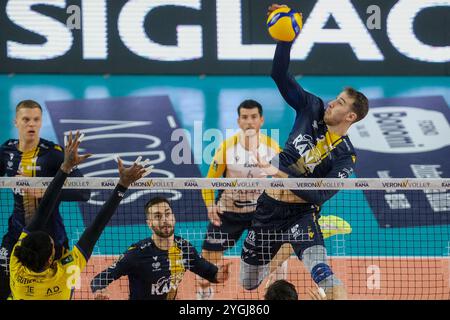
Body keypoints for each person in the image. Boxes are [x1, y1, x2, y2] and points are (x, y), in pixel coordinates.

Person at [239, 4, 369, 300]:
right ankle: (284, 248)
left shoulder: (345, 157)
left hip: (302, 217)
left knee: (325, 277)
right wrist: (285, 40)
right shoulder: (311, 107)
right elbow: (278, 74)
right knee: (248, 283)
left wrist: (279, 174)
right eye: (334, 99)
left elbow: (321, 195)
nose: (331, 104)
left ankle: (308, 237)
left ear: (350, 117)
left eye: (339, 103)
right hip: (268, 210)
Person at [8, 131, 153, 300]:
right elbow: (46, 213)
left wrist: (122, 186)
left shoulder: (17, 266)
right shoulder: (26, 264)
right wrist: (66, 168)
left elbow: (93, 230)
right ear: (50, 261)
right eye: (53, 245)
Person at [197, 99, 291, 300]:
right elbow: (208, 181)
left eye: (254, 117)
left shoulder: (272, 148)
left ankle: (276, 295)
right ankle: (204, 293)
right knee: (208, 261)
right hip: (229, 212)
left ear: (261, 120)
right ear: (239, 121)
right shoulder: (226, 147)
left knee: (279, 256)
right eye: (245, 117)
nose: (249, 122)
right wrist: (210, 205)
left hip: (262, 213)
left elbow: (283, 180)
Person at [0, 100, 91, 299]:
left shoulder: (54, 154)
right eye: (26, 119)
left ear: (41, 122)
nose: (31, 124)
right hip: (17, 236)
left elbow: (85, 192)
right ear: (16, 122)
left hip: (52, 240)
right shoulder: (6, 152)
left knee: (62, 292)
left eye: (36, 119)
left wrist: (44, 191)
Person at [90, 197, 231, 300]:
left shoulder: (184, 249)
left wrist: (220, 276)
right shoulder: (137, 254)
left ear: (174, 218)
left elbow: (209, 272)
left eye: (167, 214)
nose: (164, 219)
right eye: (158, 216)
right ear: (149, 223)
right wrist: (99, 291)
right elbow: (99, 279)